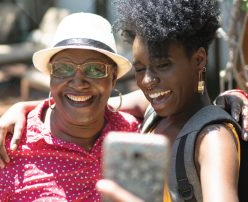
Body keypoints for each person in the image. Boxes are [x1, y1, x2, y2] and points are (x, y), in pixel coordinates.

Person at [0, 13, 140, 201]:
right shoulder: (10, 148)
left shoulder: (132, 133)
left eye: (95, 69)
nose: (78, 82)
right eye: (63, 68)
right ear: (51, 75)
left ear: (113, 78)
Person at [96, 0, 242, 201]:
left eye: (163, 65)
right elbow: (97, 105)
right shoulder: (155, 112)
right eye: (139, 69)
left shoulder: (212, 139)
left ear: (199, 60)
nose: (147, 81)